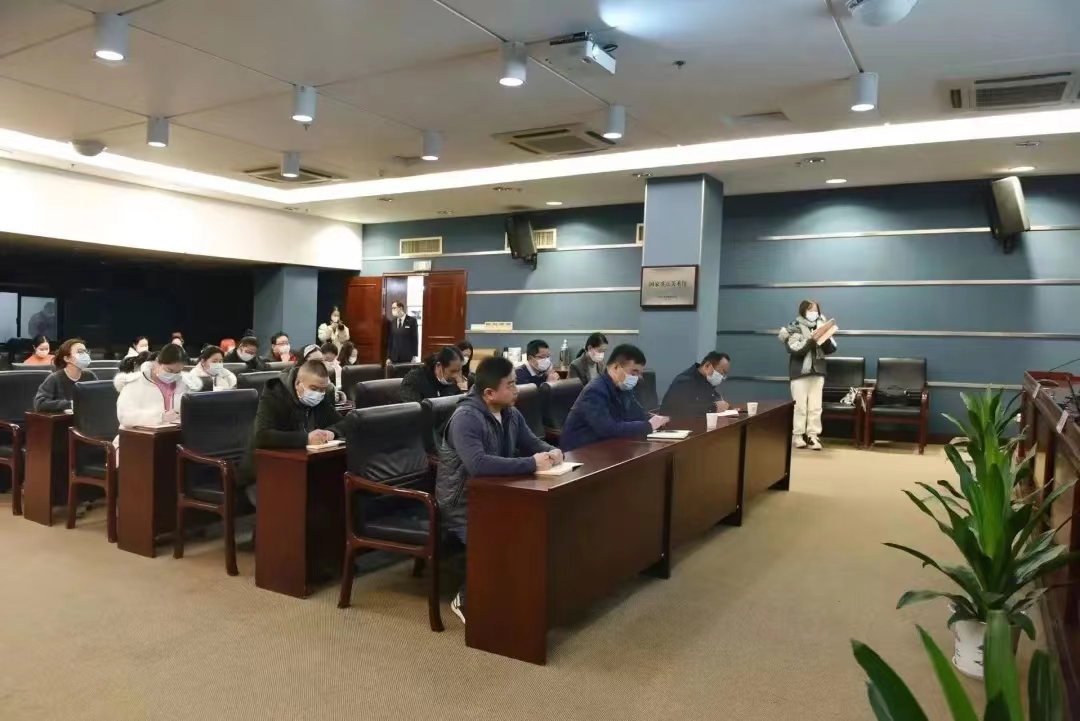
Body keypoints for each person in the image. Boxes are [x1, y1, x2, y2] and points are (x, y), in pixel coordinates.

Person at [436, 356, 562, 624]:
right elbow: (478, 464)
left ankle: (518, 593)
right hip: (463, 504)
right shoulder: (466, 418)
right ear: (489, 393)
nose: (516, 390)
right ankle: (466, 598)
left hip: (498, 495)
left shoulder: (510, 412)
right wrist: (531, 463)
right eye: (511, 385)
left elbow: (532, 442)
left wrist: (552, 451)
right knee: (498, 540)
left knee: (535, 528)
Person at [243, 360, 347, 503]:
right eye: (314, 388)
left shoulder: (321, 396)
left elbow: (344, 423)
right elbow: (261, 436)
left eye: (322, 390)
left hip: (304, 468)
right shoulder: (275, 394)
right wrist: (306, 439)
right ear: (298, 383)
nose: (318, 394)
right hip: (266, 472)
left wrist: (332, 432)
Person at [559, 344, 669, 452]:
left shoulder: (622, 387)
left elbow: (638, 413)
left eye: (639, 373)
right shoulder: (595, 390)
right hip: (580, 451)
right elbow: (607, 428)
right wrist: (648, 426)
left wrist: (658, 420)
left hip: (606, 446)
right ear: (616, 367)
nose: (638, 377)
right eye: (634, 372)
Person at [113, 344, 201, 451]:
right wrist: (160, 416)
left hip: (174, 441)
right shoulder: (135, 383)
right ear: (156, 363)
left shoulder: (186, 384)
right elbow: (125, 416)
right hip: (135, 442)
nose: (173, 375)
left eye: (178, 372)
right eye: (169, 370)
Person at [779, 299, 837, 451]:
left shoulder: (821, 325)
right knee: (800, 407)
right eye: (810, 310)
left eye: (816, 310)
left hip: (818, 372)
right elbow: (795, 349)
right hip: (799, 373)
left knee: (815, 407)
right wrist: (812, 339)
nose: (814, 313)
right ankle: (798, 435)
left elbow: (831, 349)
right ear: (803, 311)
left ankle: (813, 436)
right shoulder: (794, 327)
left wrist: (824, 336)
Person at [33, 338, 98, 411]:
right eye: (80, 352)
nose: (85, 355)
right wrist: (69, 404)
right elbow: (39, 404)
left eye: (86, 352)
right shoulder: (54, 378)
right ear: (67, 358)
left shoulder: (90, 376)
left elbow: (99, 398)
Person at [660, 352, 731, 417]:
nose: (722, 377)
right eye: (721, 373)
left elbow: (715, 399)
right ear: (707, 366)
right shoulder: (684, 381)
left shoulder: (706, 381)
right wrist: (713, 407)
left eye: (724, 374)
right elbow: (684, 409)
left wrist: (724, 405)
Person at [400, 346, 465, 403]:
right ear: (439, 366)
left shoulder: (454, 382)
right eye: (453, 371)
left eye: (458, 371)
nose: (456, 376)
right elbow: (414, 409)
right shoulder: (415, 378)